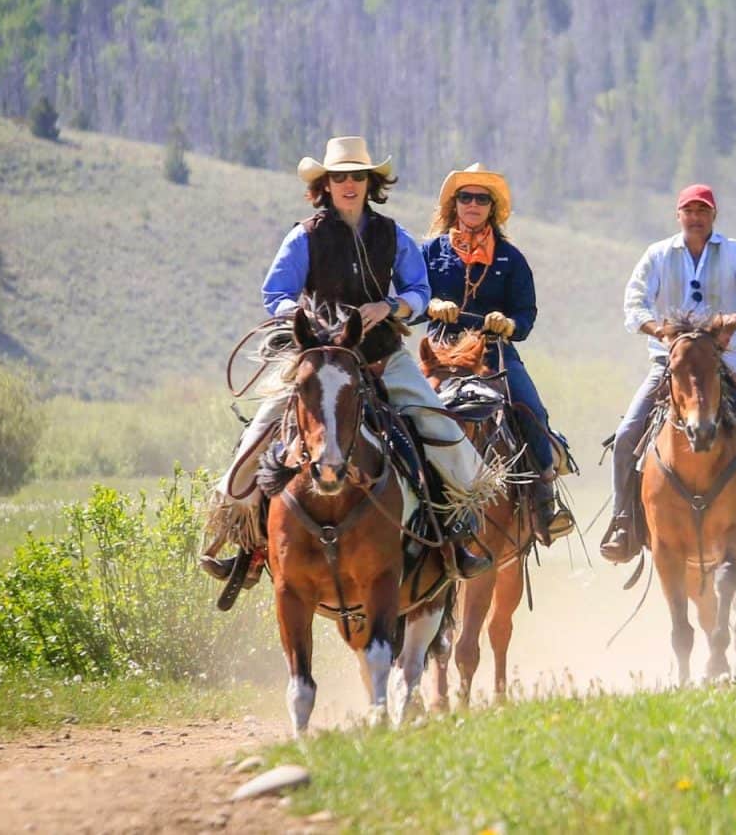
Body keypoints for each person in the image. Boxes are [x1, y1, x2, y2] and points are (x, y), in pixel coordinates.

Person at [200, 136, 494, 588]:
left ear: (370, 182)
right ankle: (248, 544)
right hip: (319, 363)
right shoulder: (304, 236)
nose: (349, 184)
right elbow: (275, 294)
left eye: (358, 176)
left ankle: (455, 538)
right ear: (326, 185)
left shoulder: (393, 235)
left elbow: (419, 293)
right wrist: (304, 318)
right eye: (340, 177)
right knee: (258, 436)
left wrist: (391, 308)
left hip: (381, 357)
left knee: (441, 430)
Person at [599, 184, 736, 563]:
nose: (695, 217)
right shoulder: (658, 255)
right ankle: (623, 522)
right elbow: (633, 303)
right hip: (670, 365)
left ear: (713, 216)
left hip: (730, 364)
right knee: (625, 437)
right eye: (689, 210)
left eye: (703, 211)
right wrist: (659, 330)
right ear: (678, 215)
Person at [423, 163, 574, 543]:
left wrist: (507, 324)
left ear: (492, 207)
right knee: (402, 410)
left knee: (531, 410)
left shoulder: (511, 258)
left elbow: (526, 314)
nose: (472, 203)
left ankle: (544, 503)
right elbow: (409, 296)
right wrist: (432, 305)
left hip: (495, 355)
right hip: (441, 354)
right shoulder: (429, 252)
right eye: (465, 197)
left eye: (481, 198)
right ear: (453, 204)